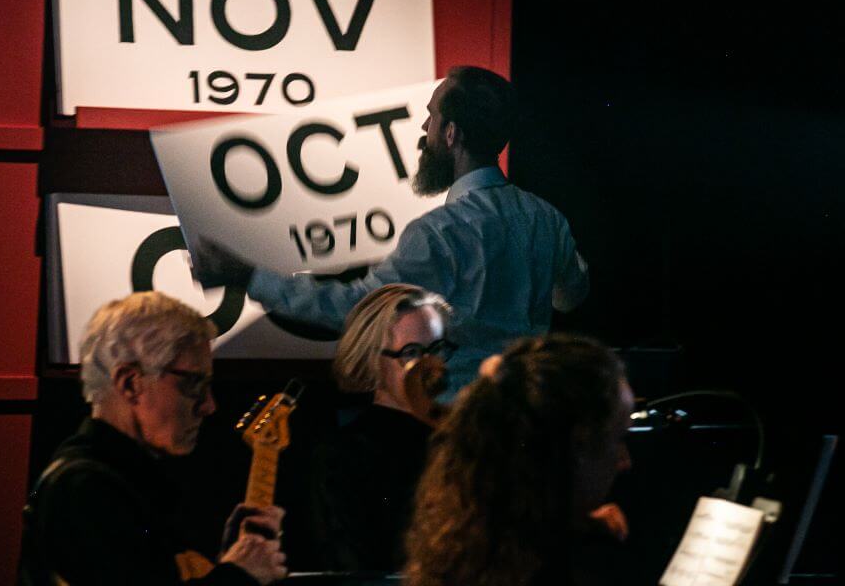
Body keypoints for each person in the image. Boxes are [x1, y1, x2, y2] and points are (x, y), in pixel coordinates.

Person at [194, 66, 590, 395]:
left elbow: (356, 308)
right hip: (526, 411)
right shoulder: (546, 219)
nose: (424, 126)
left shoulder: (439, 233)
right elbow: (571, 297)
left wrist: (250, 277)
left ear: (452, 134)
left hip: (453, 415)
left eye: (432, 115)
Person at [19, 291, 288, 586]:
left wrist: (231, 560)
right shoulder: (84, 489)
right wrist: (237, 576)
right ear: (130, 383)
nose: (209, 405)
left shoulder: (110, 482)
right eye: (193, 383)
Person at [404, 335, 635, 586]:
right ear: (572, 449)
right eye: (617, 438)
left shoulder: (475, 536)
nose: (624, 461)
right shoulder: (558, 567)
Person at [308, 284, 456, 573]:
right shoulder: (343, 455)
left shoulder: (464, 440)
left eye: (436, 349)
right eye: (411, 353)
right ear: (372, 359)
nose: (431, 368)